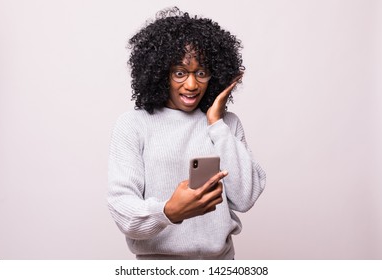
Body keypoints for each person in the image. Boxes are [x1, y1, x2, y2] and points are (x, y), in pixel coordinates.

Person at [107, 7, 266, 260]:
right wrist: (169, 211)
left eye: (201, 73)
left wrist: (215, 123)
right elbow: (122, 207)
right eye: (180, 73)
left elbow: (245, 197)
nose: (191, 85)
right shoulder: (133, 125)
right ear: (161, 74)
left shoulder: (226, 124)